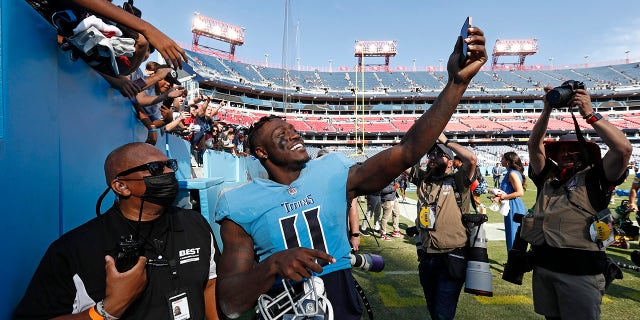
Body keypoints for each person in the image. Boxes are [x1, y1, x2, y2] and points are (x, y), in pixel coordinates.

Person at [214, 25, 487, 320]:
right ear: (261, 153)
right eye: (282, 133)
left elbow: (407, 151)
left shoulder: (331, 172)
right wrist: (272, 265)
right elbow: (230, 302)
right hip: (283, 309)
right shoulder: (240, 205)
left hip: (340, 303)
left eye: (294, 130)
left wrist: (456, 84)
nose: (295, 136)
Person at [14, 142, 220, 319]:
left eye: (170, 164)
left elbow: (210, 286)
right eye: (155, 168)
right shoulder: (75, 250)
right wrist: (109, 309)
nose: (168, 172)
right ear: (121, 186)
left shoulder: (195, 224)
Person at [523, 85, 632, 320]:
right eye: (561, 149)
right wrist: (547, 110)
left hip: (581, 272)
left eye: (573, 148)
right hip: (544, 266)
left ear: (585, 151)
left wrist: (590, 114)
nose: (566, 153)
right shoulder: (549, 177)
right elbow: (534, 145)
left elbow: (623, 149)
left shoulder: (598, 176)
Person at [407, 133, 477, 320]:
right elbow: (404, 162)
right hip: (426, 255)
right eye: (431, 154)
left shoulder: (458, 181)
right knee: (433, 310)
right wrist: (420, 140)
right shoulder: (424, 181)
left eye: (439, 154)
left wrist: (445, 141)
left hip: (451, 256)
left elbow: (471, 159)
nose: (432, 157)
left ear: (450, 162)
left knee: (442, 313)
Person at [490, 151, 527, 251]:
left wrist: (501, 197)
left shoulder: (512, 174)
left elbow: (520, 192)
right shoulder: (511, 173)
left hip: (514, 207)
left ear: (508, 162)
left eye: (503, 159)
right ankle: (513, 260)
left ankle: (514, 262)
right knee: (512, 234)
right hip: (511, 205)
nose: (501, 161)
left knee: (513, 235)